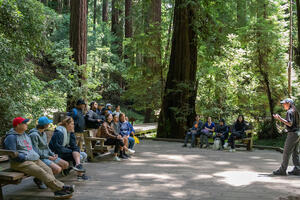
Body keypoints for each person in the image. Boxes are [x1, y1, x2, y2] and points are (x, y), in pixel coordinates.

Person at [4, 117, 74, 198]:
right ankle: (61, 188)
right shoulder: (11, 137)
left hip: (33, 159)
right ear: (18, 125)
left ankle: (57, 190)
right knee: (41, 172)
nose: (27, 125)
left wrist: (35, 156)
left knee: (48, 169)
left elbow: (32, 148)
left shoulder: (25, 135)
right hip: (21, 163)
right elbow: (13, 154)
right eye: (25, 123)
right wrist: (26, 157)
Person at [49, 116, 89, 181]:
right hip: (55, 154)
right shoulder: (59, 132)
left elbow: (73, 145)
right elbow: (58, 148)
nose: (73, 125)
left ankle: (77, 165)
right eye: (72, 124)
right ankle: (80, 174)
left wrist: (72, 133)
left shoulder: (69, 132)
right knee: (79, 156)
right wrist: (72, 151)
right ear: (67, 124)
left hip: (63, 151)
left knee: (83, 154)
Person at [272, 98, 300, 176]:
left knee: (286, 152)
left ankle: (282, 170)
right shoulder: (295, 111)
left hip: (292, 134)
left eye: (284, 103)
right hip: (298, 133)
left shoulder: (289, 112)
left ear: (289, 103)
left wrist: (279, 118)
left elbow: (290, 124)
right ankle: (298, 169)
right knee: (295, 152)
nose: (283, 105)